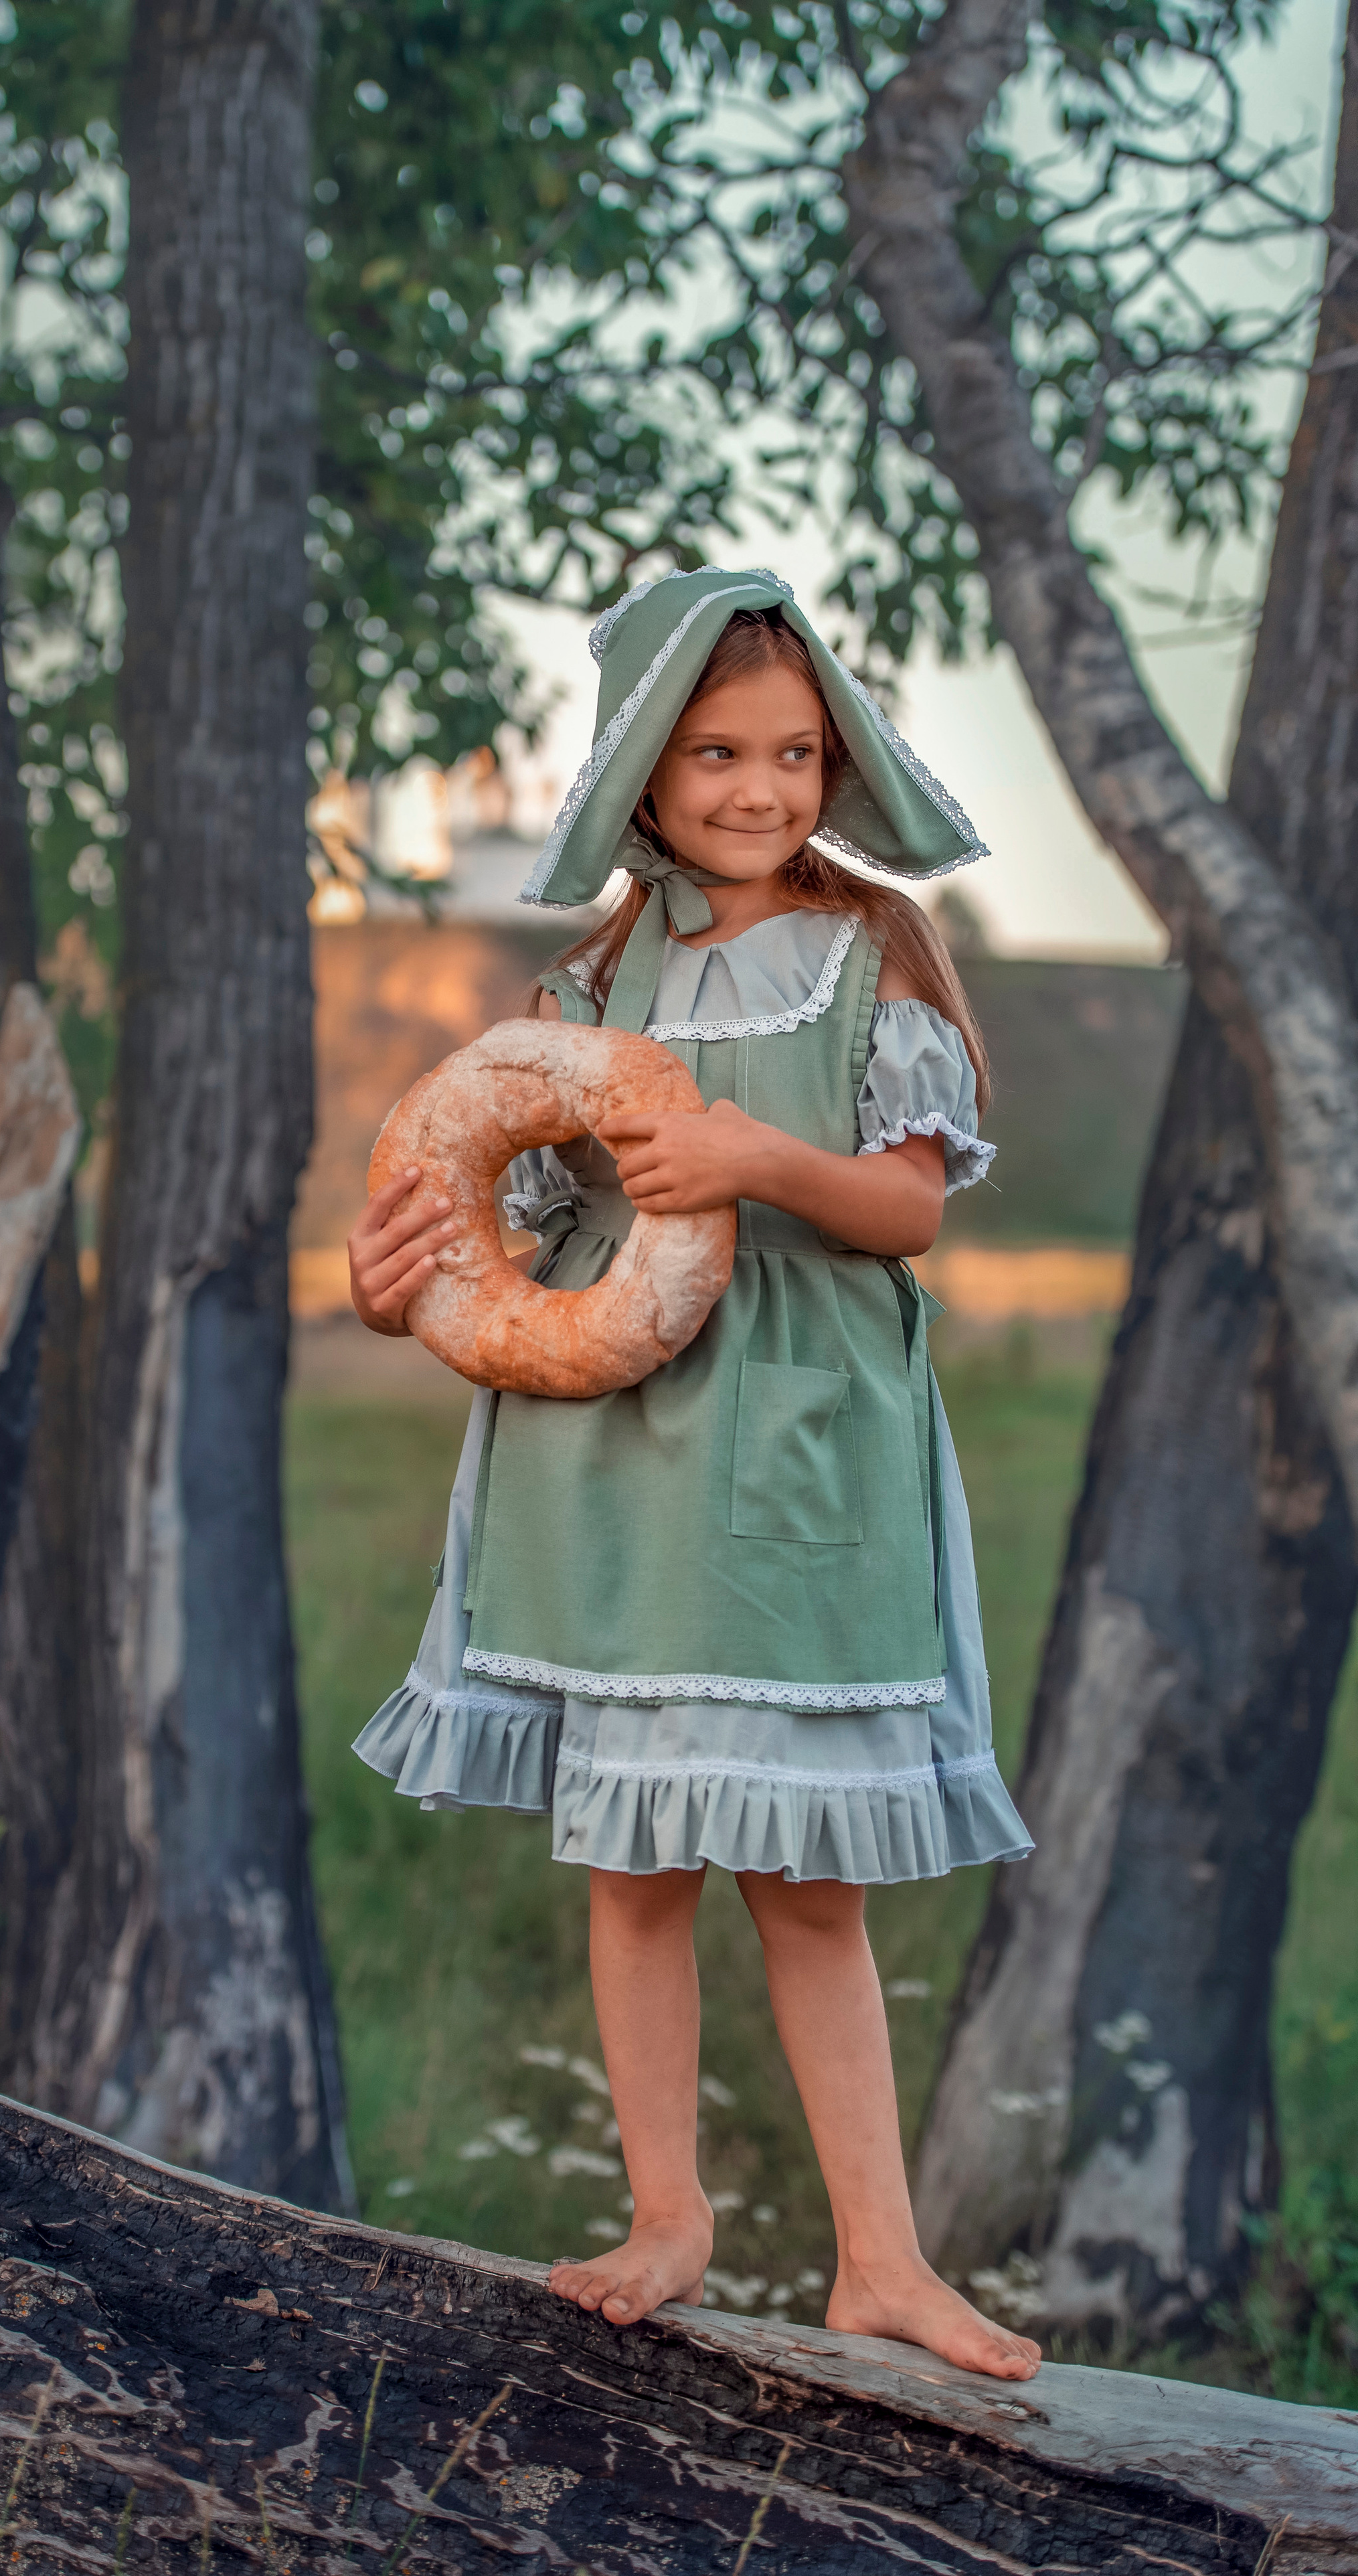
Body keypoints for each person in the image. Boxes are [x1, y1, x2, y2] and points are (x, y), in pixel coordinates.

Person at [346, 567, 1039, 2383]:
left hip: (801, 1446)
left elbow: (903, 1206)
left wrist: (749, 1155)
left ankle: (879, 2258)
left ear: (839, 762)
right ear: (645, 776)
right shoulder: (593, 981)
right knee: (635, 1858)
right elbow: (524, 1210)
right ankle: (670, 2215)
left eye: (795, 753)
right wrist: (386, 1283)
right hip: (615, 1469)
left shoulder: (870, 956)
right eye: (718, 752)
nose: (758, 788)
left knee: (807, 1878)